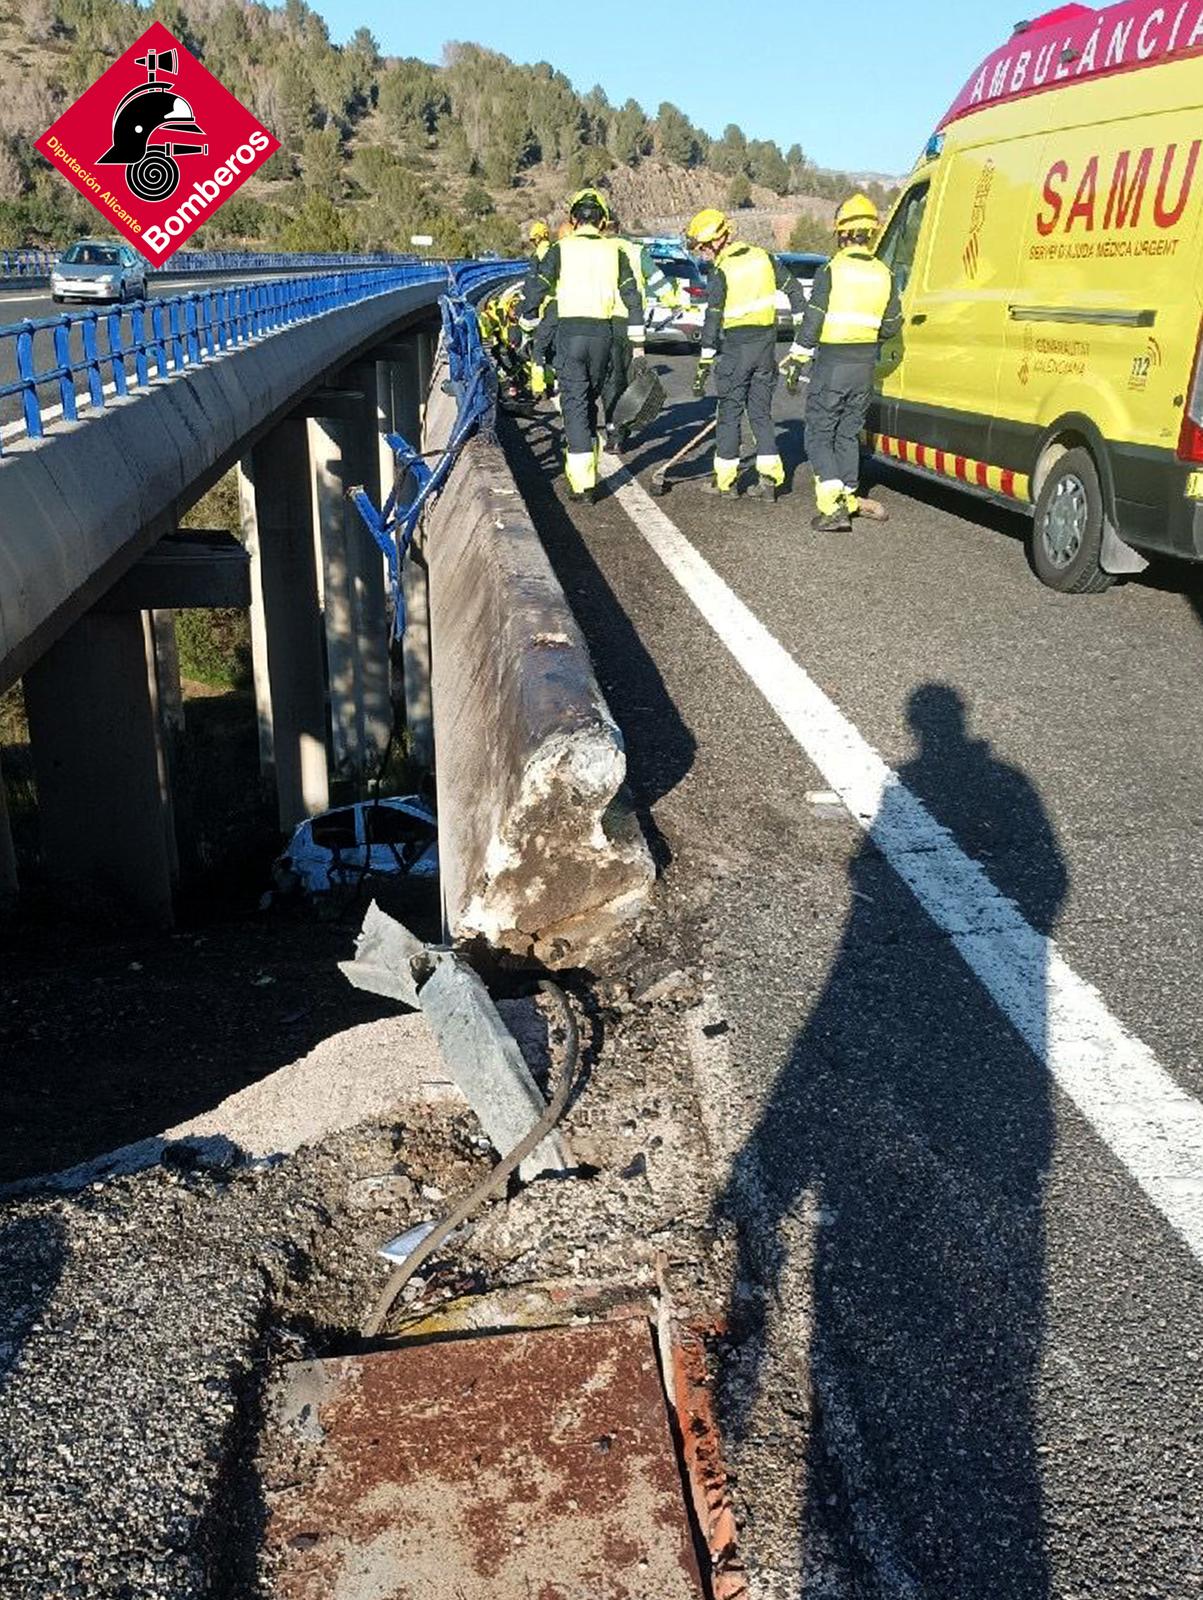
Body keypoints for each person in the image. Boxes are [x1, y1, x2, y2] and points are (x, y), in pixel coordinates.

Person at [782, 193, 902, 531]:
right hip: (864, 366)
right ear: (870, 233)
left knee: (819, 434)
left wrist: (797, 358)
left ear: (843, 233)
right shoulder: (884, 273)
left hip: (833, 363)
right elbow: (893, 324)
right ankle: (849, 498)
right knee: (848, 434)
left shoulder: (831, 270)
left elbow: (813, 319)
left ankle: (833, 506)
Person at [520, 187, 643, 503]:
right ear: (602, 221)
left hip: (571, 335)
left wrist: (528, 320)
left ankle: (583, 484)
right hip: (603, 337)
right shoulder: (614, 252)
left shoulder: (561, 250)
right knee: (590, 398)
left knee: (575, 405)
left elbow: (538, 288)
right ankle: (593, 448)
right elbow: (632, 296)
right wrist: (639, 342)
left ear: (573, 220)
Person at [686, 208, 808, 501]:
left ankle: (726, 483)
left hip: (736, 349)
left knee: (728, 414)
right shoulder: (764, 258)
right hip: (766, 347)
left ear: (717, 240)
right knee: (760, 414)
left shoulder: (722, 270)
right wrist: (801, 342)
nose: (702, 253)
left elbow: (713, 319)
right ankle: (769, 483)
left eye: (703, 247)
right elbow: (794, 291)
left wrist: (704, 359)